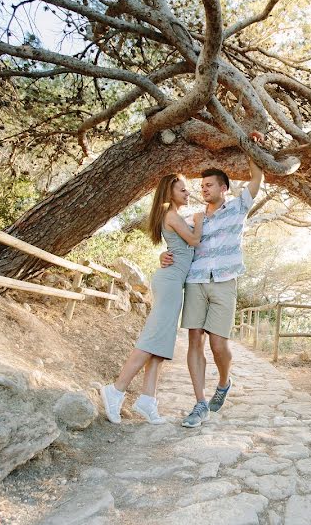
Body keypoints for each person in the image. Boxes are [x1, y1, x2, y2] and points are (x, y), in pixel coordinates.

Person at [160, 132, 264, 428]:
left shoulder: (238, 207)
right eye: (201, 186)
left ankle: (223, 382)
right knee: (194, 339)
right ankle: (199, 403)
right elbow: (176, 242)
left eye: (209, 185)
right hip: (195, 281)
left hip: (224, 281)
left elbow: (257, 177)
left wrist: (251, 147)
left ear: (223, 187)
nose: (203, 189)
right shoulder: (194, 218)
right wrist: (163, 257)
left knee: (219, 344)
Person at [99, 174, 203, 424]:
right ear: (170, 193)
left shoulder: (174, 215)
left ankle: (148, 400)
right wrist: (199, 221)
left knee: (160, 345)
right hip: (169, 284)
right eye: (183, 190)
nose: (188, 193)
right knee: (151, 340)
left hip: (173, 282)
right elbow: (195, 241)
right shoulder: (171, 214)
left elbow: (180, 247)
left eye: (187, 190)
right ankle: (115, 390)